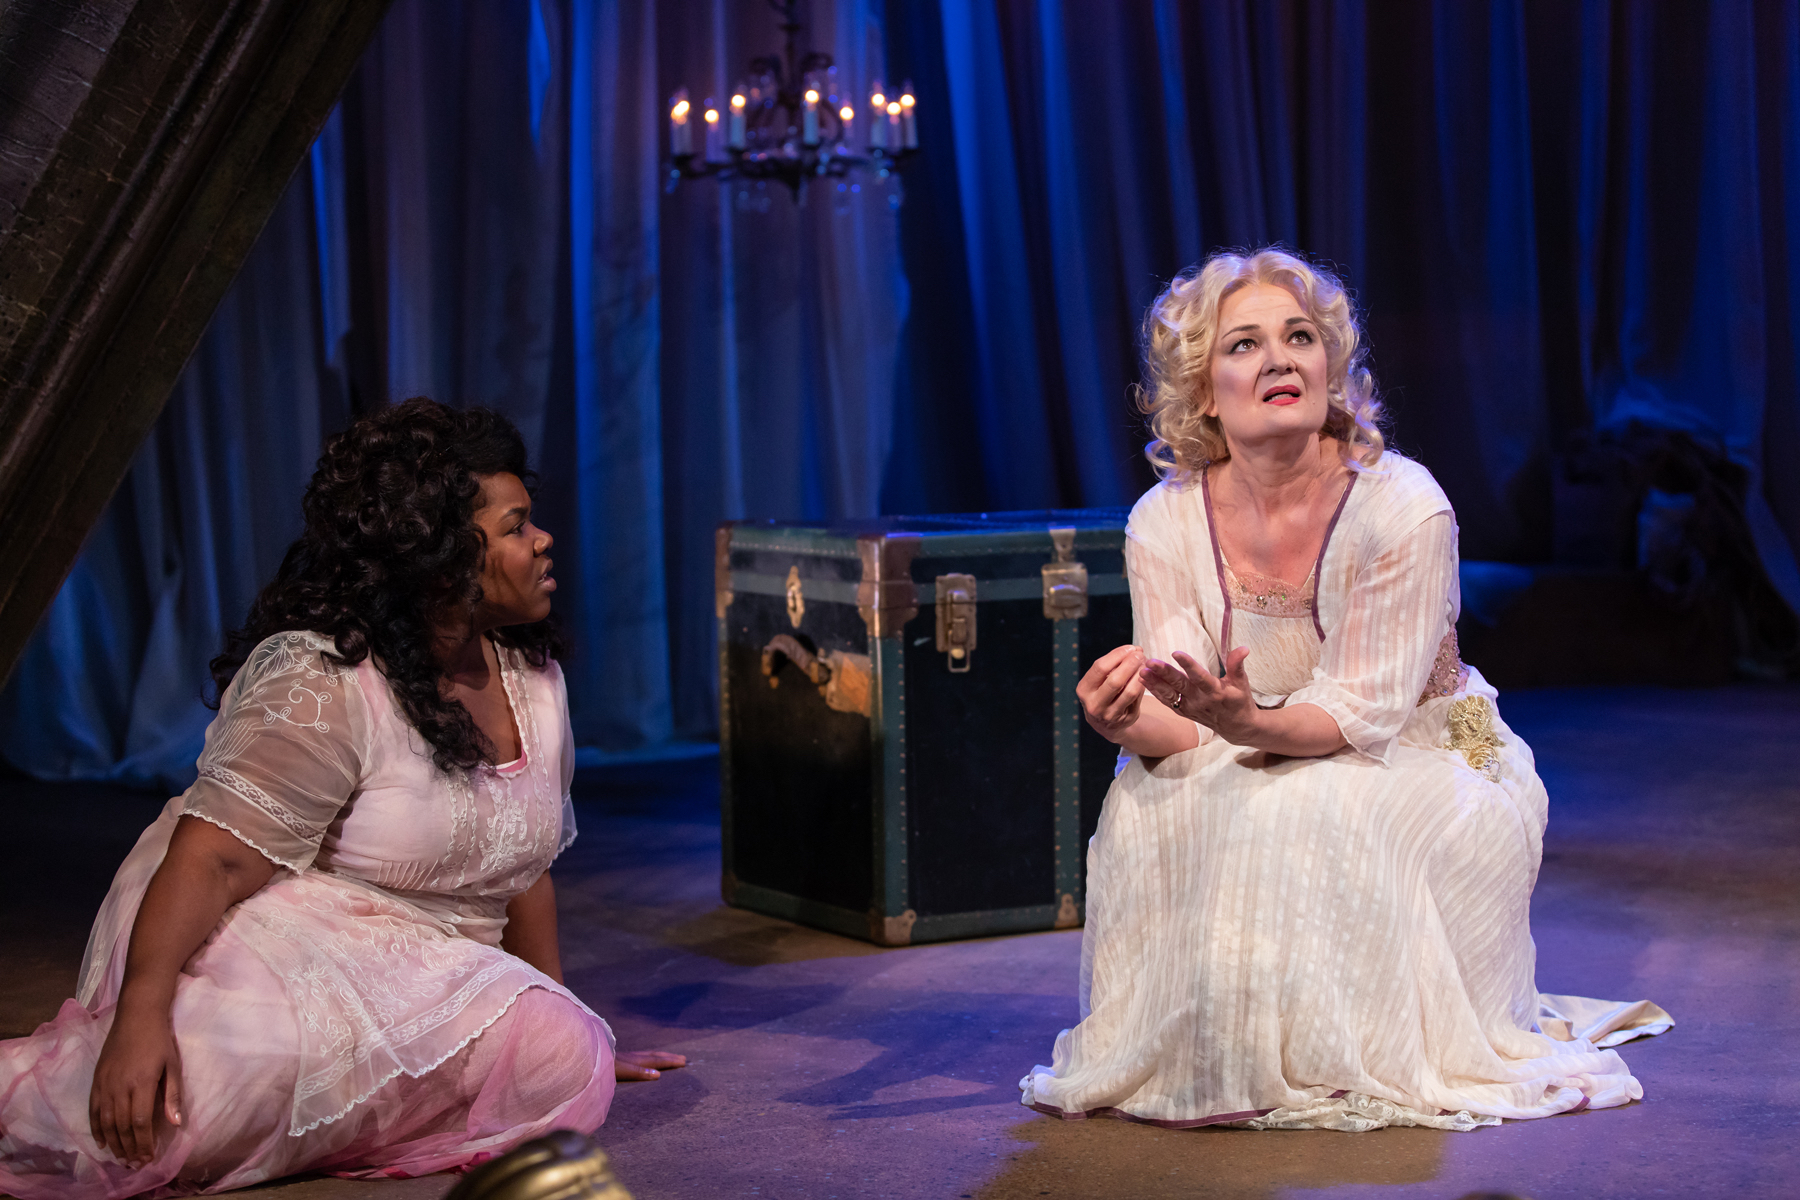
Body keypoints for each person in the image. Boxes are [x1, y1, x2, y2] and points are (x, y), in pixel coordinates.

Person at [1020, 248, 1671, 1132]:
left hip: (1429, 748)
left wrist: (1246, 722)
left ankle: (1333, 1058)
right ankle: (1226, 1054)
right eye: (1244, 344)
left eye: (1300, 337)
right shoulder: (1163, 520)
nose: (1281, 358)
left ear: (1331, 367)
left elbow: (1359, 714)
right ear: (1204, 390)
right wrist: (1133, 725)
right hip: (1263, 741)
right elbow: (1190, 723)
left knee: (1314, 805)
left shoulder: (1402, 506)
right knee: (1154, 799)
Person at [0, 399, 684, 1196]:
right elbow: (213, 858)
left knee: (562, 1052)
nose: (543, 540)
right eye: (515, 526)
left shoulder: (534, 683)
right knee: (164, 1114)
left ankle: (339, 1112)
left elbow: (521, 872)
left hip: (445, 983)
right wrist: (140, 1013)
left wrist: (568, 1017)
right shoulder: (328, 680)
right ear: (440, 558)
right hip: (296, 952)